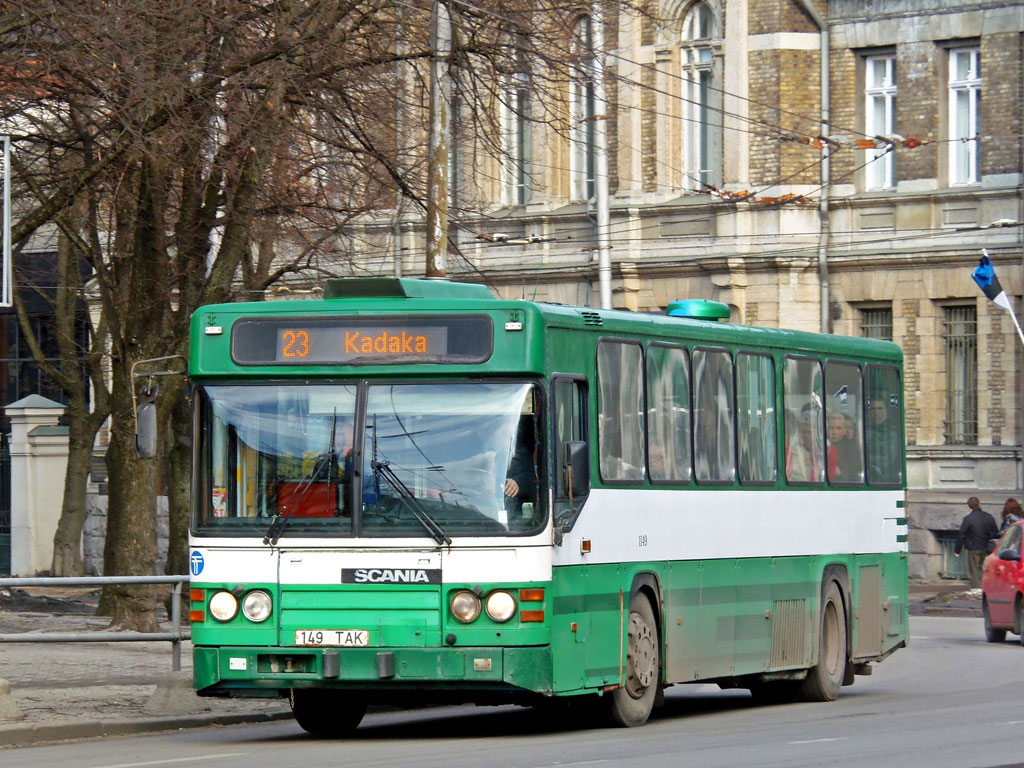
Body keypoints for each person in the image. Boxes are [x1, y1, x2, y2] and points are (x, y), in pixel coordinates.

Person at [954, 497, 999, 588]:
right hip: (985, 546)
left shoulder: (968, 519)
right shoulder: (988, 517)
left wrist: (957, 550)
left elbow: (962, 534)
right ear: (979, 504)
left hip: (973, 547)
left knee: (974, 569)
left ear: (970, 506)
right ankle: (983, 586)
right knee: (981, 567)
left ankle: (976, 587)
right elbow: (996, 533)